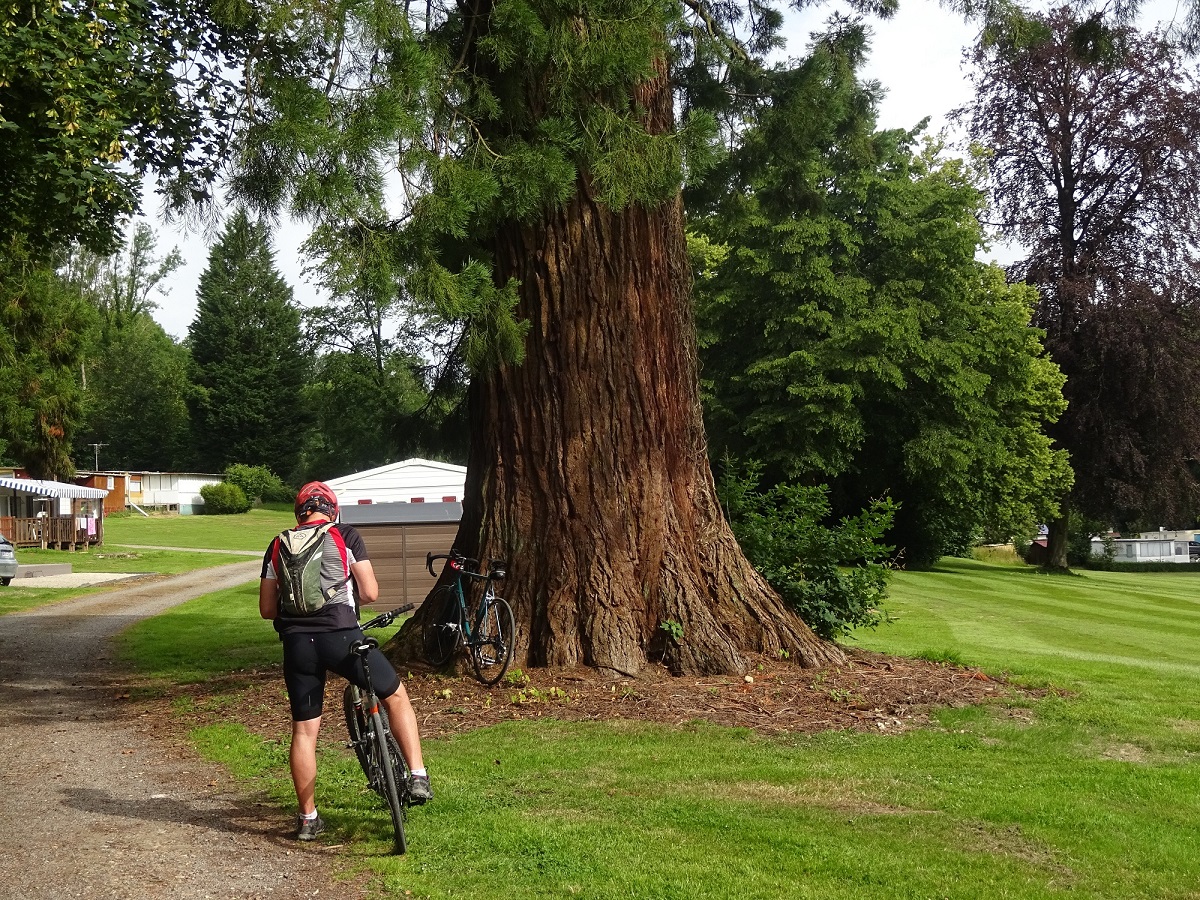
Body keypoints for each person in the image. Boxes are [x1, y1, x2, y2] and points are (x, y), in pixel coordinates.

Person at [259, 481, 432, 841]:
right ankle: (417, 775)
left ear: (299, 511)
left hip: (298, 646)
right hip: (342, 638)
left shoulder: (277, 544)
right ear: (332, 509)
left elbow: (267, 609)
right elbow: (369, 592)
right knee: (395, 696)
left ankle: (308, 818)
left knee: (305, 732)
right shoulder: (345, 534)